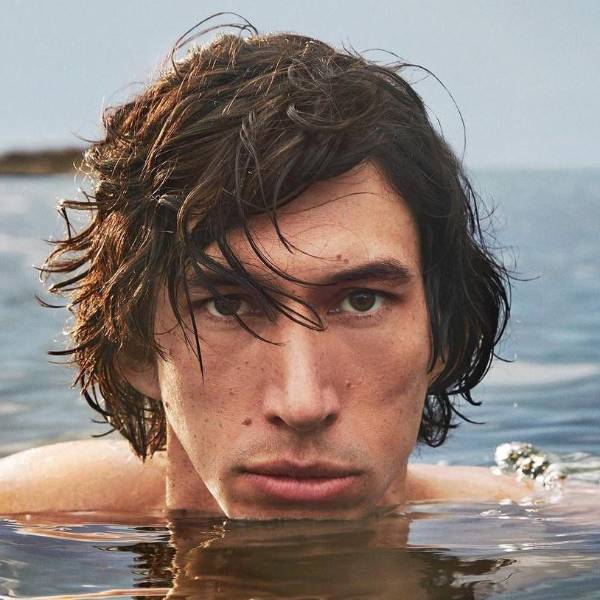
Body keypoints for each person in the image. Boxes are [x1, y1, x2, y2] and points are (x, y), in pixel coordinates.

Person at [0, 17, 534, 519]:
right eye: (228, 305)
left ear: (445, 337)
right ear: (135, 348)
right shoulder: (25, 523)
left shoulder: (543, 533)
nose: (302, 405)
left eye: (362, 300)